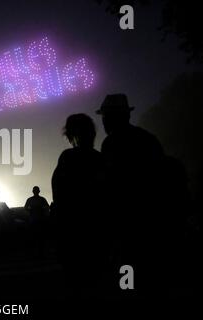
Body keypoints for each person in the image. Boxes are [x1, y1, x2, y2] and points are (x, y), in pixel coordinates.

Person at [96, 93, 165, 296]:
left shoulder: (111, 144)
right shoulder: (149, 140)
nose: (104, 121)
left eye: (106, 116)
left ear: (113, 117)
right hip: (152, 224)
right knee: (150, 280)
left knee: (128, 280)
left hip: (126, 227)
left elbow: (109, 187)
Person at [51, 114, 108, 296]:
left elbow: (60, 198)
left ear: (70, 135)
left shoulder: (67, 158)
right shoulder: (101, 159)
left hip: (74, 233)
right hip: (99, 232)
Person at [24, 186, 49, 257]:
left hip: (40, 220)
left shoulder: (42, 199)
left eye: (36, 190)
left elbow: (47, 207)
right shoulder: (30, 199)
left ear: (38, 191)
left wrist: (41, 209)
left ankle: (40, 252)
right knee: (34, 236)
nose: (35, 192)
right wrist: (30, 210)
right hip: (33, 220)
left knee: (40, 236)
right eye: (35, 190)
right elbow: (25, 208)